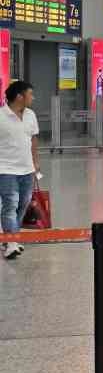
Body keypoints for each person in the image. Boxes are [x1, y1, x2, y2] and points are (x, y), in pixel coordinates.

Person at [1, 81, 39, 260]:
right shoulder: (1, 116)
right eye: (30, 94)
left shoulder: (31, 115)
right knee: (10, 204)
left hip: (27, 169)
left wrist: (36, 163)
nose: (33, 98)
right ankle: (11, 243)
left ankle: (9, 237)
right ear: (19, 97)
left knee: (23, 204)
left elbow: (33, 140)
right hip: (5, 169)